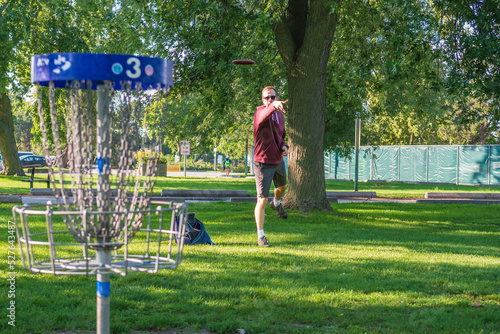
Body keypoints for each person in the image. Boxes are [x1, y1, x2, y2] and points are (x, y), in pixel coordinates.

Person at [253, 86, 289, 247]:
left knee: (282, 187)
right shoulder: (260, 112)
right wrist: (273, 106)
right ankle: (261, 236)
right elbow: (263, 116)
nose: (269, 100)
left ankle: (276, 203)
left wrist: (284, 146)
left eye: (272, 97)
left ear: (276, 97)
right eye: (266, 97)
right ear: (262, 100)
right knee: (262, 199)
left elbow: (281, 136)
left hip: (278, 160)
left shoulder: (280, 117)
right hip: (262, 162)